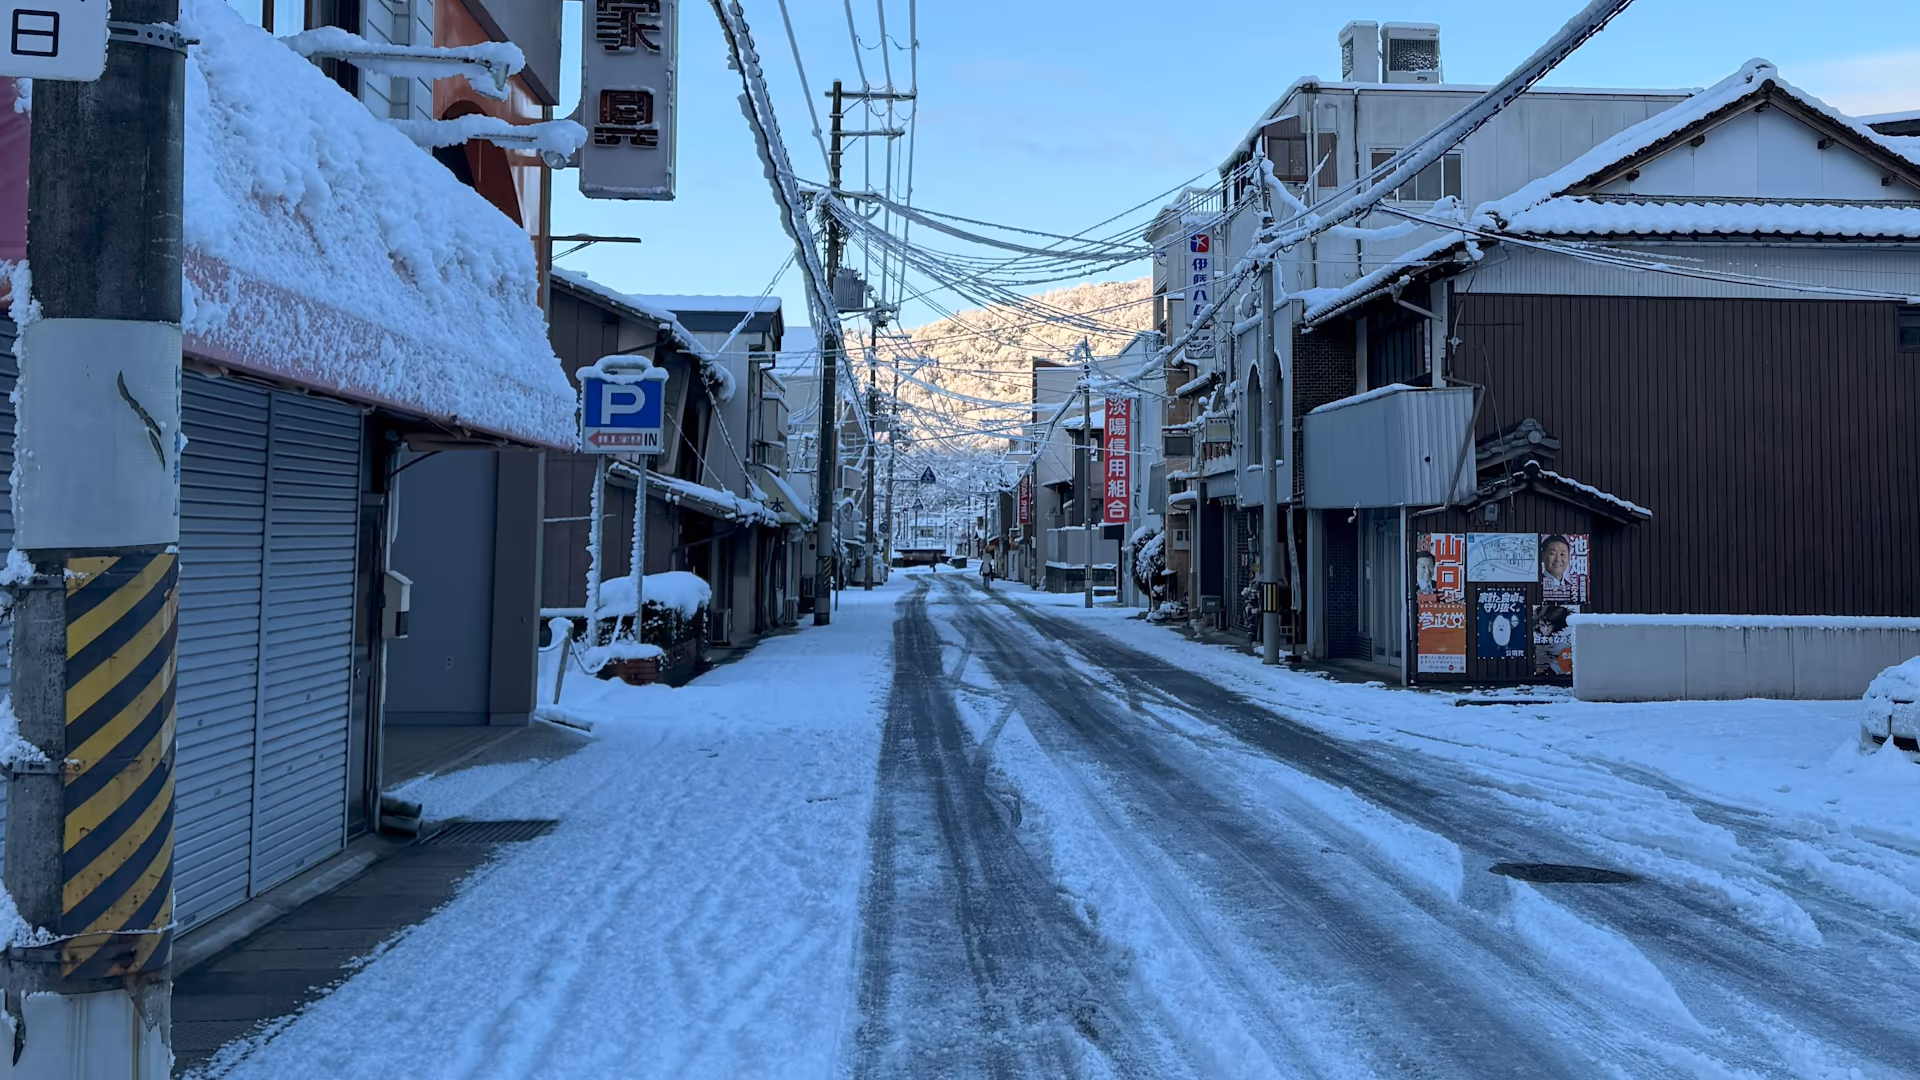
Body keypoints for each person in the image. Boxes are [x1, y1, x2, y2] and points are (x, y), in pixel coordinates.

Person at [1540, 535, 1575, 601]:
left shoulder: (1573, 589)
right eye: (1552, 554)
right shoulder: (1536, 585)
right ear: (1542, 556)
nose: (1558, 559)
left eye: (1562, 554)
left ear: (1568, 557)